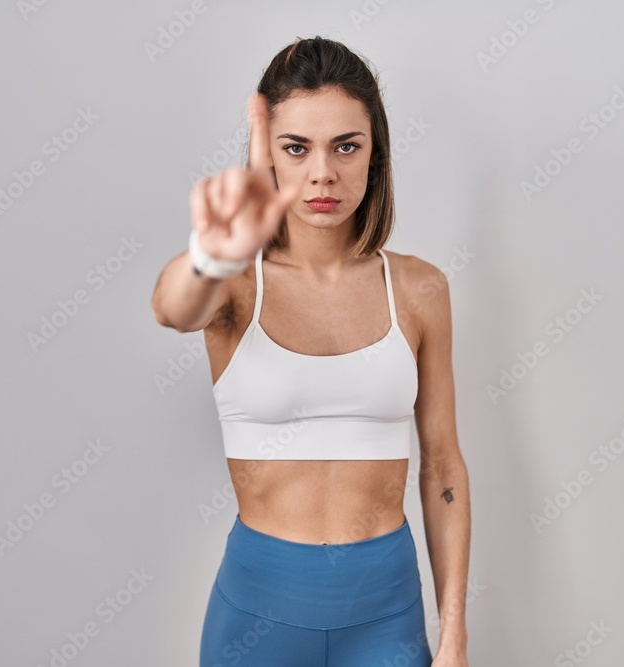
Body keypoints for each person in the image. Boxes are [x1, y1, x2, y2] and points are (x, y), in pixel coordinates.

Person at [151, 36, 470, 667]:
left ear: (374, 152)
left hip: (387, 614)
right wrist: (217, 252)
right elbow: (171, 309)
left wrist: (454, 632)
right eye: (296, 148)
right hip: (256, 613)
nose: (322, 172)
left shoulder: (420, 288)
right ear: (267, 154)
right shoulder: (233, 285)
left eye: (345, 146)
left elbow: (443, 468)